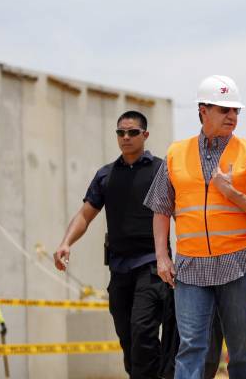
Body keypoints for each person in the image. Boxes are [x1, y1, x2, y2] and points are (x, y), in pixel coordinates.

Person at [145, 75, 246, 379]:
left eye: (235, 111)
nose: (232, 116)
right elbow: (161, 208)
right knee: (191, 348)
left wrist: (232, 193)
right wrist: (162, 257)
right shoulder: (176, 154)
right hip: (191, 267)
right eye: (223, 109)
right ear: (203, 110)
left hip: (238, 266)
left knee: (241, 354)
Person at [53, 110, 177, 379]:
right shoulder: (106, 175)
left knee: (143, 331)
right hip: (119, 270)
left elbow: (181, 213)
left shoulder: (161, 170)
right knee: (128, 339)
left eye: (132, 132)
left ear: (145, 135)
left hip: (152, 267)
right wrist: (66, 243)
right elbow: (85, 215)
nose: (126, 137)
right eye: (121, 132)